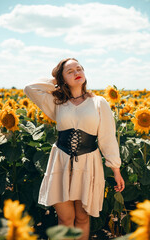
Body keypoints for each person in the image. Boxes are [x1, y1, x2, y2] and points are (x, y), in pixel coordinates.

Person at [23, 58, 125, 240]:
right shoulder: (57, 103)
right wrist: (57, 80)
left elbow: (107, 138)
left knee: (82, 217)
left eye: (79, 69)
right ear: (62, 79)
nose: (77, 72)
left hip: (88, 163)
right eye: (70, 71)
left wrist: (115, 169)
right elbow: (30, 88)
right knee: (65, 218)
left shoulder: (99, 102)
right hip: (61, 162)